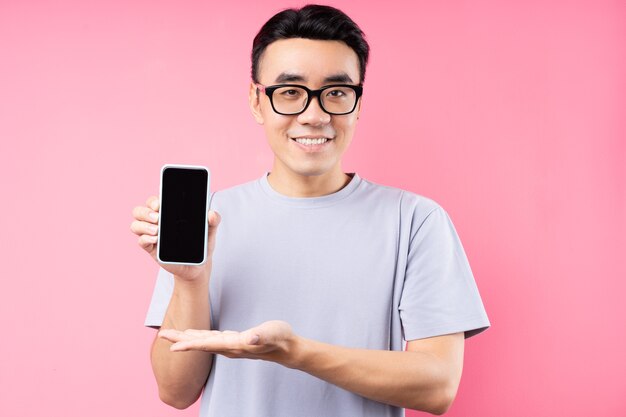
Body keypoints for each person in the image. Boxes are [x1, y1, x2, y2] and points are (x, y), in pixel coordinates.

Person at [130, 4, 490, 416]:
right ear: (256, 101)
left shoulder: (416, 221)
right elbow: (176, 391)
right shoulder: (208, 220)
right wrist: (191, 282)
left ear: (358, 103)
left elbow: (437, 385)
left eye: (336, 92)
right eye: (290, 92)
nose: (314, 115)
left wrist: (295, 352)